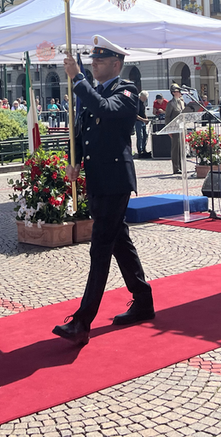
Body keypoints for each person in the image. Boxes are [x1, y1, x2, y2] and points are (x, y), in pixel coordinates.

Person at [52, 36, 154, 346]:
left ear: (116, 64)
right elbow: (81, 132)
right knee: (119, 241)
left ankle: (82, 322)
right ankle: (143, 300)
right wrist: (73, 161)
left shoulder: (127, 92)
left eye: (100, 59)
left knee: (100, 248)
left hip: (115, 181)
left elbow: (104, 110)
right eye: (93, 59)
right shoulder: (95, 92)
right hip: (98, 179)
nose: (94, 63)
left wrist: (78, 79)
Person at [164, 84, 186, 175]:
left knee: (182, 148)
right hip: (174, 128)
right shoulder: (171, 103)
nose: (180, 93)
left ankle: (181, 166)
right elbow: (167, 117)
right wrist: (169, 130)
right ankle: (176, 168)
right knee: (175, 148)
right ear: (173, 93)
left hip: (182, 127)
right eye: (178, 91)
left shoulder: (182, 102)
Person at [135, 90, 150, 158]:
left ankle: (144, 149)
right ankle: (140, 151)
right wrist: (143, 119)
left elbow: (143, 111)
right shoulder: (137, 102)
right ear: (141, 97)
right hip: (138, 121)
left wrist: (146, 118)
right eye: (144, 98)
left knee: (145, 135)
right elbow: (135, 115)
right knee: (140, 136)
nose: (145, 99)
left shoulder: (142, 103)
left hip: (143, 121)